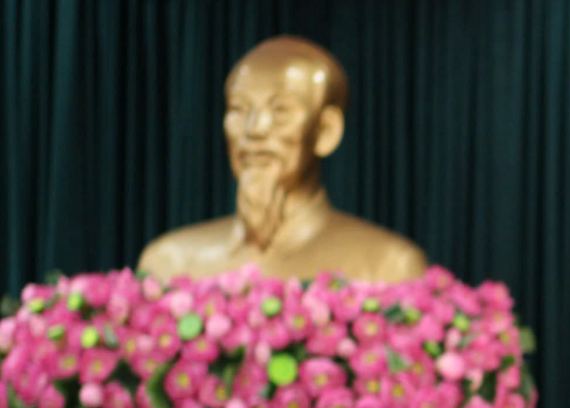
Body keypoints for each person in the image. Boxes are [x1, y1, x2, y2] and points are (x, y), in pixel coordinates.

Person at [138, 36, 426, 282]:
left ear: (326, 131)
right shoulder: (170, 263)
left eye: (280, 112)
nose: (254, 130)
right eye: (239, 109)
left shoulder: (387, 267)